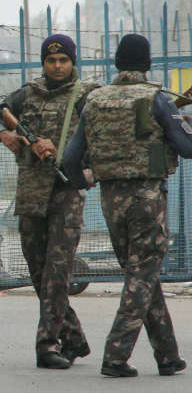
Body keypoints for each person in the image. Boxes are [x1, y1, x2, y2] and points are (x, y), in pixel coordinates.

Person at [63, 33, 189, 377]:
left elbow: (70, 159)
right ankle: (115, 356)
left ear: (117, 63)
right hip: (147, 198)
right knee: (142, 275)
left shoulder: (95, 101)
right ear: (147, 64)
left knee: (142, 275)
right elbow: (186, 148)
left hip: (110, 200)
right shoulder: (156, 99)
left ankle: (168, 355)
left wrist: (83, 183)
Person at [0, 34, 100, 369]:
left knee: (57, 271)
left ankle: (47, 345)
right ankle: (74, 337)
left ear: (72, 62)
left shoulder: (87, 97)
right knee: (38, 272)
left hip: (67, 193)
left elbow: (103, 137)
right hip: (31, 192)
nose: (57, 66)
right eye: (51, 61)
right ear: (44, 63)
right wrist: (5, 133)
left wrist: (89, 168)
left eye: (63, 60)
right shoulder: (27, 94)